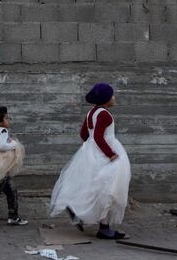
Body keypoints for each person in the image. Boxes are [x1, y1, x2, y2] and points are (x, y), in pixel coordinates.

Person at [49, 83, 131, 239]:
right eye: (112, 95)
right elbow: (100, 137)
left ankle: (77, 209)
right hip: (105, 152)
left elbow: (83, 134)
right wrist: (111, 154)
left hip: (92, 152)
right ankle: (103, 228)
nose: (114, 98)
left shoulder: (91, 113)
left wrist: (90, 148)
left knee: (93, 185)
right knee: (109, 188)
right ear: (106, 98)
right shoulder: (105, 114)